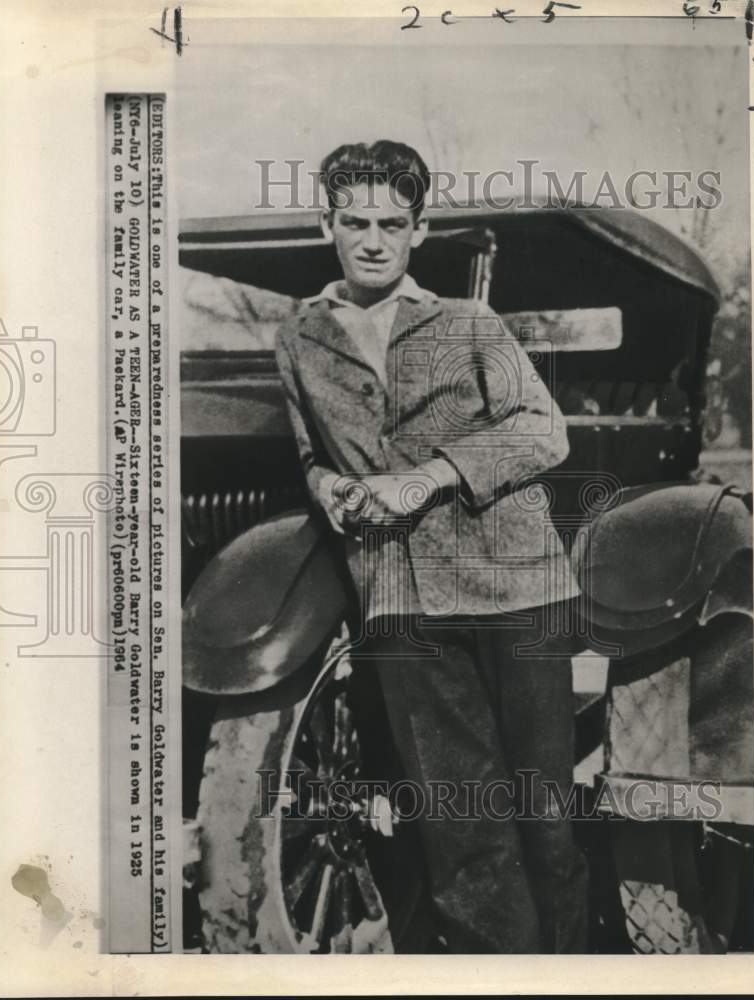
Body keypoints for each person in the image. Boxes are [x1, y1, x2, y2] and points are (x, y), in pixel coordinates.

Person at [274, 140, 588, 953]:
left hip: (515, 592)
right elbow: (310, 455)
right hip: (401, 602)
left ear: (418, 229)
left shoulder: (467, 324)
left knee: (543, 820)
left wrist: (428, 477)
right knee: (459, 831)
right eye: (354, 222)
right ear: (326, 224)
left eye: (390, 222)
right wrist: (328, 491)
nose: (372, 239)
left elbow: (542, 431)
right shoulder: (299, 339)